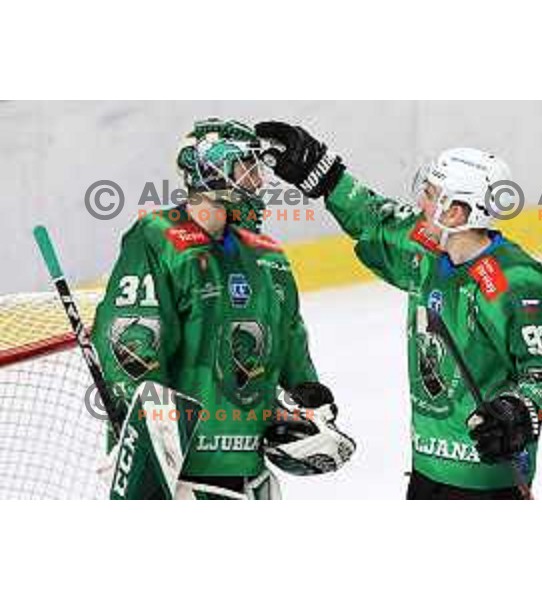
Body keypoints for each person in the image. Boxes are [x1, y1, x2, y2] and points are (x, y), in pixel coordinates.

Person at [255, 121, 542, 500]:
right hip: (425, 471)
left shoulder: (512, 281)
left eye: (431, 194)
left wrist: (518, 410)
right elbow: (374, 218)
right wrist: (324, 173)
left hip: (487, 483)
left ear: (455, 212)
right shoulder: (425, 250)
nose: (422, 202)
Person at [91, 118, 354, 500]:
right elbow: (131, 344)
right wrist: (145, 438)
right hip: (184, 479)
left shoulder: (268, 257)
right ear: (211, 169)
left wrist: (306, 402)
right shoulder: (156, 239)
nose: (259, 183)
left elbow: (288, 342)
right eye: (247, 168)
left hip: (252, 477)